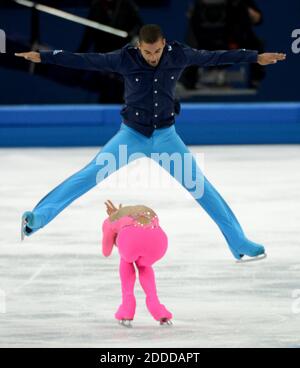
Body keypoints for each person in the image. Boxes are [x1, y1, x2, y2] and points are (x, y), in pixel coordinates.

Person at [16, 24, 286, 262]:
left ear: (164, 44)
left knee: (203, 189)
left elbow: (215, 57)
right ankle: (37, 219)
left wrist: (255, 58)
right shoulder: (125, 59)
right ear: (139, 46)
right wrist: (43, 56)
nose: (153, 57)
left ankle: (238, 242)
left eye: (157, 51)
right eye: (147, 52)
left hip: (167, 138)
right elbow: (86, 60)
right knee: (88, 175)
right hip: (131, 135)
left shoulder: (178, 55)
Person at [102, 200, 172, 327]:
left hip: (130, 241)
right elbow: (146, 231)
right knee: (144, 265)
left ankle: (127, 308)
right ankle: (157, 307)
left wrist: (115, 238)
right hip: (159, 242)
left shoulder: (110, 220)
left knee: (126, 259)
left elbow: (106, 251)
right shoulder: (142, 210)